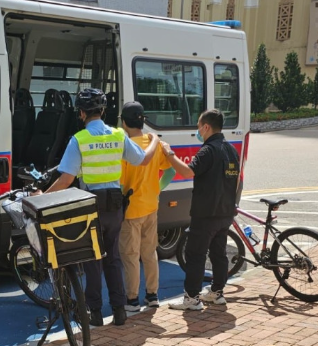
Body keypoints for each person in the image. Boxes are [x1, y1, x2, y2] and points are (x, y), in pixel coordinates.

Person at [43, 88, 160, 327]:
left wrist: (43, 196)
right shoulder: (118, 135)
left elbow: (66, 180)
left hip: (91, 205)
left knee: (92, 259)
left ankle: (95, 313)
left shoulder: (80, 139)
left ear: (82, 113)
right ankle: (119, 311)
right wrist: (155, 140)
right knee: (113, 257)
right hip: (116, 206)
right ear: (104, 111)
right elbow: (143, 159)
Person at [161, 108, 240, 310]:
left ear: (206, 127)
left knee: (195, 254)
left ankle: (191, 298)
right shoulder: (231, 150)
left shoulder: (208, 150)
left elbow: (188, 171)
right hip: (225, 212)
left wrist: (169, 154)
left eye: (198, 126)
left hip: (205, 213)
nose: (198, 131)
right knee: (218, 254)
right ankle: (216, 293)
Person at [119, 101, 176, 311]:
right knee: (150, 252)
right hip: (152, 206)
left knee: (130, 255)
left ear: (124, 122)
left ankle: (132, 300)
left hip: (131, 209)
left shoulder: (125, 147)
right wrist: (157, 190)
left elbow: (120, 183)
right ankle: (152, 295)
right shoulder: (156, 143)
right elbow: (170, 172)